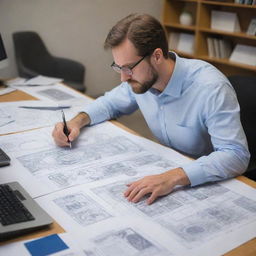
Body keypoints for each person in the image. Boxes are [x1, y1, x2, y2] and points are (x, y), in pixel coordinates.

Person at [52, 14, 250, 205]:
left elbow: (236, 155)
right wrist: (75, 123)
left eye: (129, 68)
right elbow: (109, 103)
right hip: (167, 169)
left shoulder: (210, 88)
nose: (123, 78)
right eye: (119, 67)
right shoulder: (141, 80)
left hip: (205, 181)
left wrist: (172, 177)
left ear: (157, 56)